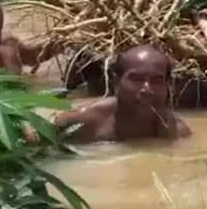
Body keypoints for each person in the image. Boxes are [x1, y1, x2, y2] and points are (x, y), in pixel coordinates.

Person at [53, 44, 191, 143]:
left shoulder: (177, 132)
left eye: (157, 80)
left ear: (167, 85)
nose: (147, 89)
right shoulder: (83, 120)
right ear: (116, 82)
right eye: (136, 79)